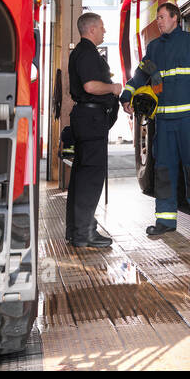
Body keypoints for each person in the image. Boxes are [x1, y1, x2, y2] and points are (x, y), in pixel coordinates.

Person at [122, 2, 190, 236]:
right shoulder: (154, 48)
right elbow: (140, 75)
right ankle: (165, 220)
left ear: (175, 18)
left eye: (162, 17)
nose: (159, 21)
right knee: (163, 170)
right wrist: (126, 94)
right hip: (163, 123)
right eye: (158, 18)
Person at [66, 13, 121, 249]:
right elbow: (90, 86)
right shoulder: (87, 53)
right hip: (91, 121)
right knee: (91, 178)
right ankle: (84, 233)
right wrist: (114, 88)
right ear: (91, 30)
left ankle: (76, 230)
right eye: (102, 27)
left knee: (81, 177)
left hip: (86, 120)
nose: (104, 31)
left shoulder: (80, 53)